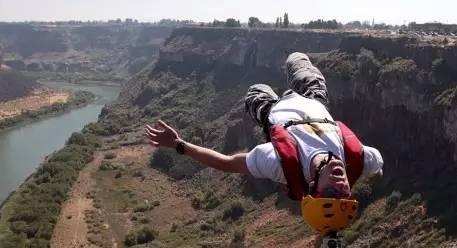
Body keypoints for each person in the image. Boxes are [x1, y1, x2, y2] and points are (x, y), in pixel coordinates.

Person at [145, 52, 383, 236]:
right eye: (345, 192)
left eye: (331, 192)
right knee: (296, 59)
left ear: (312, 189)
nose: (341, 185)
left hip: (275, 113)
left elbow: (227, 163)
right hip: (314, 102)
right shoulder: (361, 161)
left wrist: (179, 145)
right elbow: (377, 170)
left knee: (255, 91)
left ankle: (264, 94)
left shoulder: (279, 164)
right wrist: (374, 173)